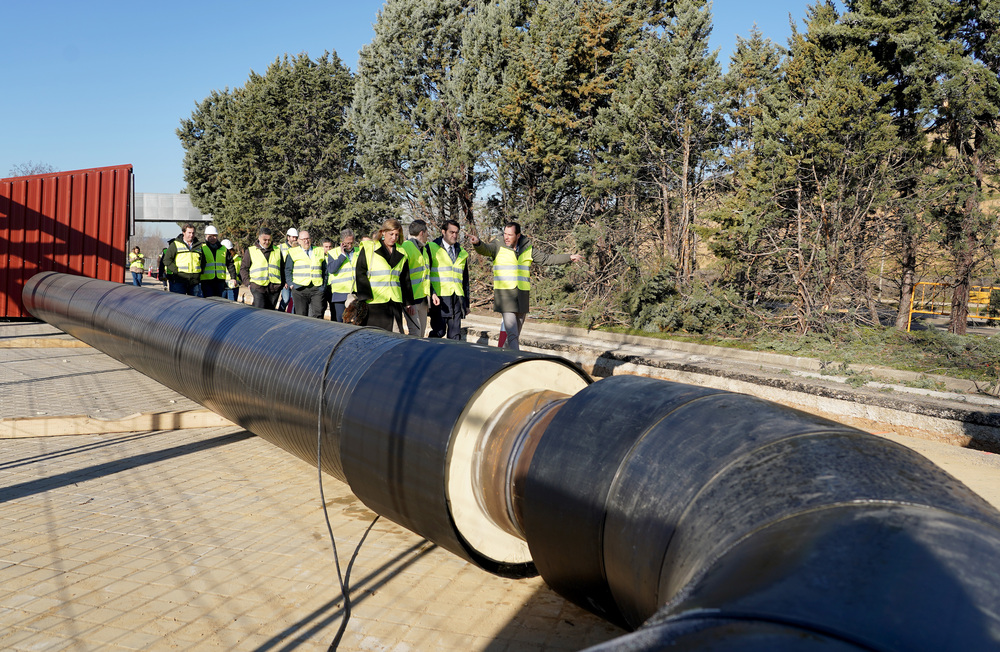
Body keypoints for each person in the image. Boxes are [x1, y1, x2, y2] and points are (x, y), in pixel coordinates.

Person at [470, 221, 583, 351]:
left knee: (515, 334)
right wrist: (477, 243)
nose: (506, 237)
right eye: (505, 234)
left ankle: (502, 358)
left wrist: (569, 257)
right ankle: (517, 359)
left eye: (510, 235)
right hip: (505, 296)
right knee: (512, 333)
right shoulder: (498, 245)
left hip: (522, 295)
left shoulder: (527, 248)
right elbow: (485, 249)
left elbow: (547, 259)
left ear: (518, 235)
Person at [355, 218, 412, 332]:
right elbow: (360, 271)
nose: (394, 238)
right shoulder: (369, 248)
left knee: (395, 336)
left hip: (394, 302)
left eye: (396, 235)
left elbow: (405, 279)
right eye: (391, 234)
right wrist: (365, 295)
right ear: (383, 233)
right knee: (374, 336)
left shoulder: (402, 251)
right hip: (374, 302)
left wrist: (408, 302)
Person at [427, 219, 470, 340]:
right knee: (439, 332)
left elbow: (465, 279)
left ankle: (453, 358)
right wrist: (431, 293)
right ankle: (432, 356)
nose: (454, 235)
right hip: (440, 299)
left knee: (455, 336)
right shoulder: (431, 248)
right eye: (451, 232)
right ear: (443, 232)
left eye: (456, 232)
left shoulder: (462, 252)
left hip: (457, 298)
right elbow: (426, 274)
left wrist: (466, 303)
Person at [285, 230, 326, 318]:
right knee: (301, 316)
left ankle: (315, 332)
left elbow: (325, 270)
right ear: (299, 241)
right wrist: (291, 284)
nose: (306, 241)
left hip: (316, 288)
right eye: (303, 239)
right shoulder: (293, 252)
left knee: (318, 314)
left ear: (311, 239)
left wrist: (323, 286)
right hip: (299, 289)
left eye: (307, 238)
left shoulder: (319, 251)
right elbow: (288, 269)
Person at [400, 220, 431, 336]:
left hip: (422, 299)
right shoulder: (406, 247)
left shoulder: (423, 249)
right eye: (427, 232)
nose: (428, 235)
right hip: (411, 301)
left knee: (421, 334)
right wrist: (409, 301)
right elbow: (403, 277)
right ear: (422, 233)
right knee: (415, 333)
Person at [242, 228, 283, 310]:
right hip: (257, 287)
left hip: (274, 288)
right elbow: (244, 268)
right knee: (259, 311)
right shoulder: (251, 250)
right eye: (265, 240)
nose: (267, 242)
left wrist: (282, 284)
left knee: (270, 313)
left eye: (269, 240)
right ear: (259, 238)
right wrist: (248, 283)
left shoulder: (277, 251)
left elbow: (282, 268)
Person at [163, 224, 206, 296]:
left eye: (193, 233)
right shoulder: (175, 244)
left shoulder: (199, 246)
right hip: (179, 280)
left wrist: (200, 272)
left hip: (194, 282)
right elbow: (167, 260)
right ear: (183, 232)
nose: (191, 235)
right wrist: (176, 271)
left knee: (194, 304)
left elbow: (203, 261)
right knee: (178, 303)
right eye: (189, 232)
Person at [326, 228, 357, 322]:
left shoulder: (359, 252)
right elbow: (331, 269)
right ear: (342, 242)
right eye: (347, 243)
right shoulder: (333, 253)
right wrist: (342, 256)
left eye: (352, 243)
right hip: (339, 294)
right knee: (341, 322)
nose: (350, 245)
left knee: (354, 322)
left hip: (354, 293)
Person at [200, 226, 238, 299]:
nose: (212, 238)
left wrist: (233, 278)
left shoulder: (224, 249)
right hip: (206, 281)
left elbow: (230, 264)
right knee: (209, 301)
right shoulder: (202, 248)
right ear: (206, 236)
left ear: (217, 236)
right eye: (210, 236)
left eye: (214, 236)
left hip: (220, 281)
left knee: (220, 302)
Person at [278, 227, 298, 312]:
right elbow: (280, 266)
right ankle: (280, 313)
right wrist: (284, 281)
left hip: (295, 279)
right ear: (288, 237)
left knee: (293, 301)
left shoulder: (298, 248)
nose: (295, 239)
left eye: (296, 237)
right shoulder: (280, 248)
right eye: (293, 237)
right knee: (286, 299)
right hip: (285, 279)